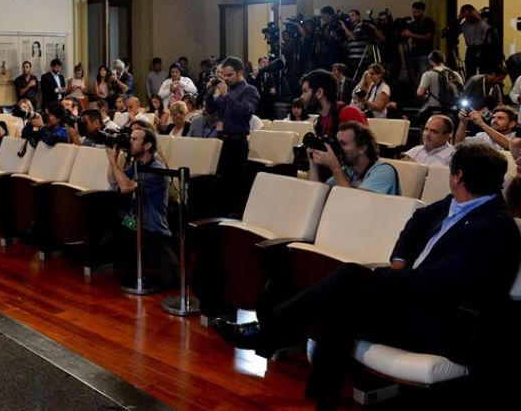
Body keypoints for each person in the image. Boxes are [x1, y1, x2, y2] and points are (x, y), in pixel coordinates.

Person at [215, 143, 520, 410]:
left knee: (349, 279)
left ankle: (267, 333)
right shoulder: (457, 202)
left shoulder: (494, 226)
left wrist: (385, 279)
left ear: (458, 176)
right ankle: (320, 396)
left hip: (450, 322)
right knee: (341, 302)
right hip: (416, 302)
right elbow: (417, 220)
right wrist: (398, 261)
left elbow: (440, 282)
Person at [104, 128, 177, 287]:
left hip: (152, 229)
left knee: (171, 278)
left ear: (147, 145)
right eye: (131, 138)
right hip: (135, 222)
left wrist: (112, 162)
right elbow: (113, 180)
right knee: (118, 217)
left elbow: (126, 187)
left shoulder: (157, 170)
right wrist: (114, 159)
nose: (130, 142)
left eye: (135, 139)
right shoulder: (138, 164)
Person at [205, 57, 259, 193]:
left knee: (235, 182)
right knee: (221, 182)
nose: (226, 78)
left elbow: (244, 111)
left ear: (240, 73)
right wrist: (210, 93)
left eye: (229, 75)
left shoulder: (249, 90)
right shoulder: (226, 91)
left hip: (237, 143)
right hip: (222, 140)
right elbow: (211, 110)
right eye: (224, 75)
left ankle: (234, 213)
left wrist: (225, 94)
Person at [308, 121, 399, 195]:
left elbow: (356, 203)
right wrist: (312, 161)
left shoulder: (384, 171)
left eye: (343, 144)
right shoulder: (348, 171)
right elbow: (318, 195)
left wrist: (335, 168)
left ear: (362, 148)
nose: (338, 148)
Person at [300, 69, 368, 138]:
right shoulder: (320, 121)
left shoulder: (349, 113)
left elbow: (366, 146)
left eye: (305, 91)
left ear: (319, 93)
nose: (301, 97)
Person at [403, 1, 437, 79]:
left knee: (424, 76)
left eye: (418, 12)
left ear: (423, 11)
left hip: (424, 54)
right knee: (413, 77)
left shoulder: (429, 22)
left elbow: (428, 37)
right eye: (414, 12)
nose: (415, 14)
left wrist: (411, 34)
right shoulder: (412, 24)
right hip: (413, 54)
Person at [459, 4, 495, 77]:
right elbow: (454, 30)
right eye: (466, 16)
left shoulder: (484, 21)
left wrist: (479, 19)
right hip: (471, 50)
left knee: (484, 74)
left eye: (469, 14)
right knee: (470, 74)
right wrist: (459, 19)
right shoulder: (465, 24)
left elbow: (488, 32)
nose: (468, 17)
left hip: (484, 49)